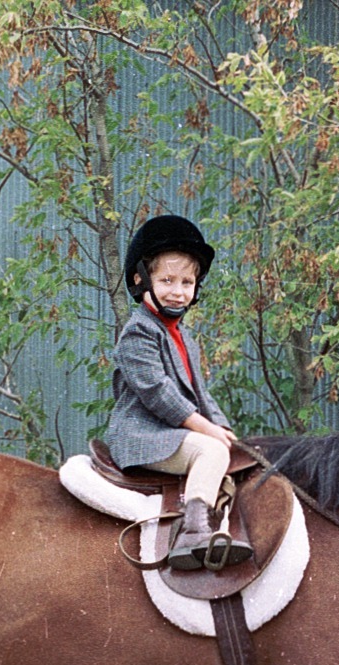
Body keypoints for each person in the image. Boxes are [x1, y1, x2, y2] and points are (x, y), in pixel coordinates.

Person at [104, 215, 252, 570]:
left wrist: (225, 428)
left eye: (187, 282)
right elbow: (159, 394)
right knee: (210, 450)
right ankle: (192, 534)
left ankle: (224, 526)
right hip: (143, 435)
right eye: (167, 280)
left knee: (237, 454)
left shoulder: (183, 337)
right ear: (142, 280)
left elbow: (202, 395)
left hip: (172, 433)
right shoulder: (138, 332)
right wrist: (209, 432)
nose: (178, 291)